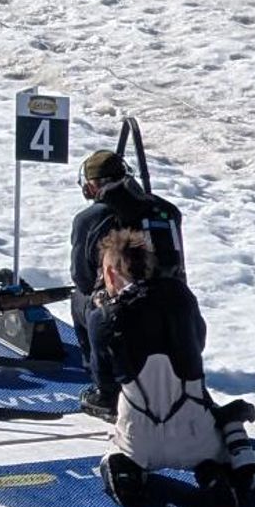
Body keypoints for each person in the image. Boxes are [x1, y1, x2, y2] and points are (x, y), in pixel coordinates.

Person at [90, 228, 255, 507]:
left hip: (139, 436)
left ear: (110, 272)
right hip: (195, 433)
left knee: (116, 448)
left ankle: (126, 475)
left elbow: (104, 384)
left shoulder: (103, 318)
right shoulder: (181, 298)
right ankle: (221, 474)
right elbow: (199, 341)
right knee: (226, 426)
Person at [68, 147, 184, 401]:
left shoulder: (89, 219)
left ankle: (103, 386)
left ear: (91, 186)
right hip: (175, 301)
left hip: (119, 309)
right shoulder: (167, 211)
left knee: (79, 299)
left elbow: (82, 278)